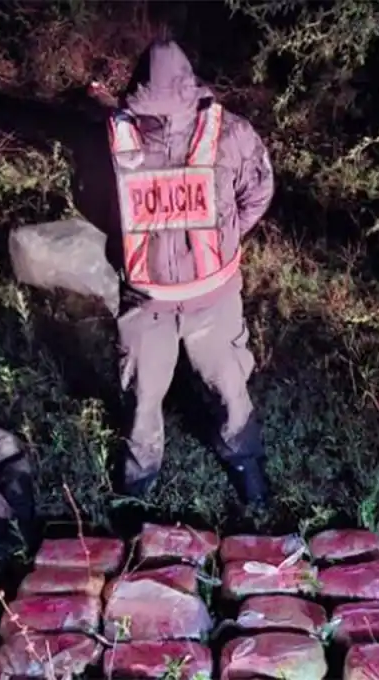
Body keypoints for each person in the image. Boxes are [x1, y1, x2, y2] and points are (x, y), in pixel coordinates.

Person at [100, 39, 276, 508]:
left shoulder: (229, 135)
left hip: (203, 299)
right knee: (156, 399)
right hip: (152, 304)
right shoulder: (118, 140)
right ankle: (142, 485)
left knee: (218, 391)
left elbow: (257, 191)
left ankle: (240, 466)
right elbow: (259, 193)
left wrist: (223, 235)